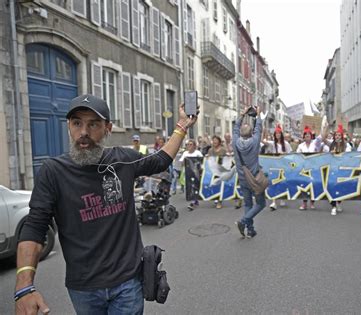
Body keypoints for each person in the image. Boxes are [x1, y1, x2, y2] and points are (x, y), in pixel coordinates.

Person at [15, 94, 198, 315]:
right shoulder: (53, 172)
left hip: (127, 283)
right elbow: (35, 226)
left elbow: (160, 160)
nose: (83, 132)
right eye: (77, 123)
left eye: (93, 124)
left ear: (107, 128)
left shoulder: (122, 160)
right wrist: (24, 288)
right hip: (84, 288)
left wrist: (181, 125)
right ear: (68, 127)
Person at [233, 106, 266, 238]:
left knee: (248, 203)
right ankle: (244, 221)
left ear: (240, 133)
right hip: (255, 178)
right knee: (261, 204)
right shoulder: (255, 141)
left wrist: (242, 115)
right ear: (251, 132)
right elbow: (259, 128)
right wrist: (257, 116)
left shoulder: (235, 141)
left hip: (242, 178)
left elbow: (235, 128)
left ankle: (250, 230)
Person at [265, 124, 292, 211]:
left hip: (283, 166)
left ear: (281, 134)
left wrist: (285, 156)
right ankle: (274, 202)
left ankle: (282, 198)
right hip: (275, 166)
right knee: (274, 183)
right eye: (276, 133)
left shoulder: (286, 144)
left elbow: (291, 154)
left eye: (279, 133)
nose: (277, 135)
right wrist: (263, 131)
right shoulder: (273, 144)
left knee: (282, 182)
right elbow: (263, 141)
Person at [328, 125, 352, 215]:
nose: (337, 137)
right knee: (333, 188)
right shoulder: (331, 145)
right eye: (336, 135)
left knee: (342, 188)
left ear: (341, 136)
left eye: (339, 135)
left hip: (342, 170)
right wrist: (331, 153)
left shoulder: (346, 145)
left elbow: (349, 155)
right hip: (333, 170)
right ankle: (333, 206)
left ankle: (338, 202)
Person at [296, 126, 317, 210]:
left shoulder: (315, 144)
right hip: (304, 168)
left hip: (313, 168)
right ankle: (304, 203)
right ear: (304, 137)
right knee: (304, 185)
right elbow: (297, 155)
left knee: (313, 185)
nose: (307, 137)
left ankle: (312, 202)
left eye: (309, 135)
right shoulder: (301, 146)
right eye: (306, 135)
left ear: (311, 136)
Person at [179, 139, 203, 211]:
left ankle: (194, 201)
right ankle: (194, 201)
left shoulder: (197, 153)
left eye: (190, 144)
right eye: (187, 145)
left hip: (196, 173)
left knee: (195, 186)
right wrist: (184, 160)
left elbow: (202, 161)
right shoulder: (185, 153)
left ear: (194, 146)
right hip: (187, 173)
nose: (188, 146)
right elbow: (182, 163)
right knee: (190, 187)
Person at [207, 135, 227, 209]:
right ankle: (216, 197)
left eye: (216, 140)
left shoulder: (223, 150)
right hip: (213, 171)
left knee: (220, 185)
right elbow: (208, 159)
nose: (214, 141)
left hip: (221, 170)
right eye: (213, 140)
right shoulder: (210, 150)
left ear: (219, 141)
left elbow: (227, 159)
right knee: (214, 184)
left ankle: (219, 201)